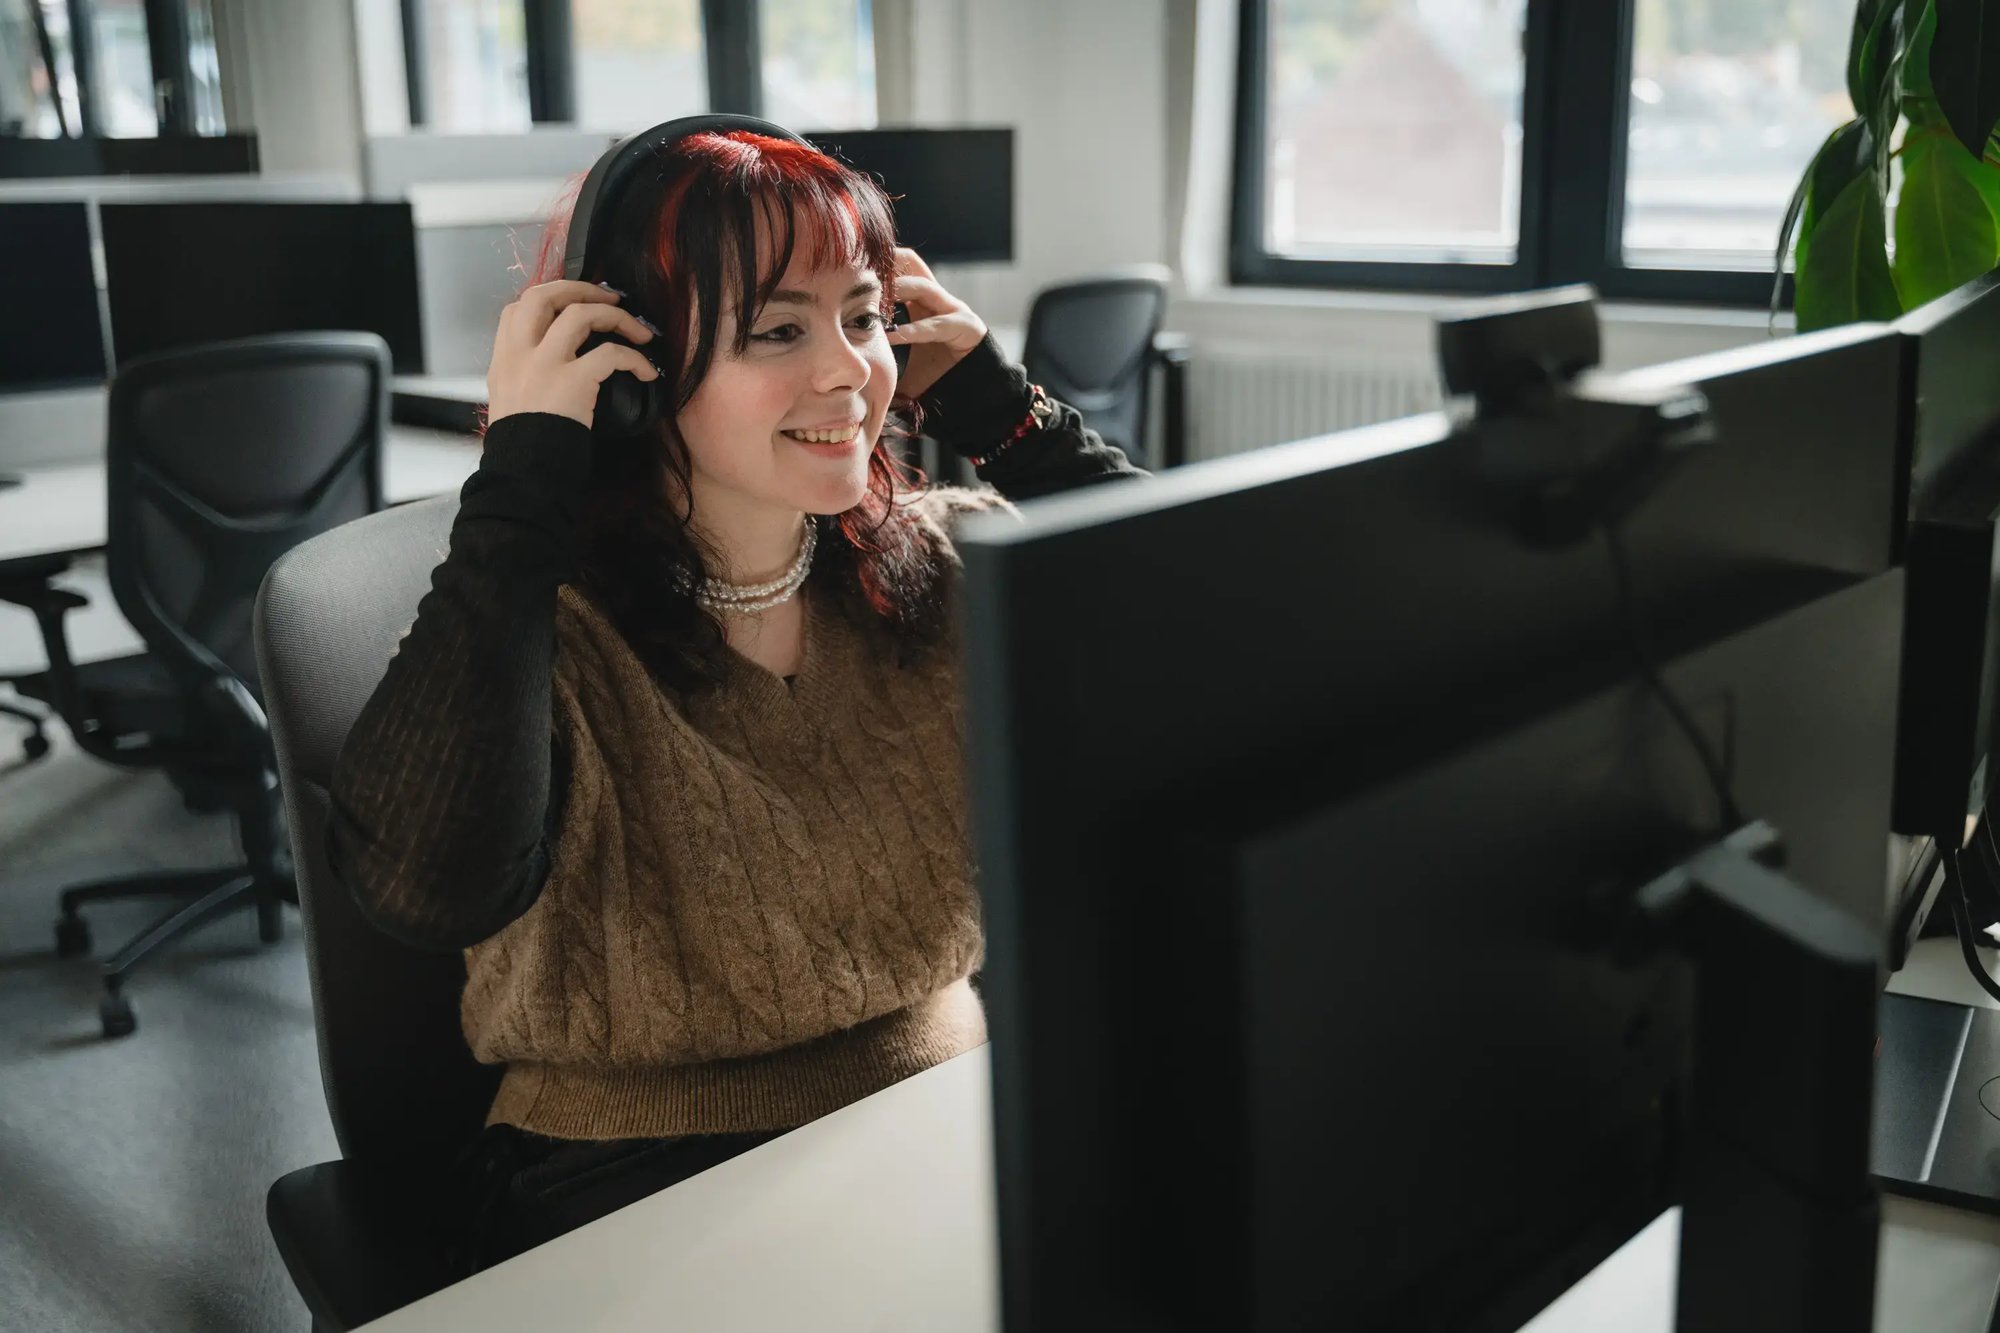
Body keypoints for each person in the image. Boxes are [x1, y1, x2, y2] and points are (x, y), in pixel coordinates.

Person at [324, 120, 1146, 1270]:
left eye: (863, 317)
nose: (846, 373)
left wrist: (1015, 421)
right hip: (641, 1184)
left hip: (943, 1121)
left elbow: (1226, 655)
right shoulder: (533, 626)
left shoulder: (948, 566)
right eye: (776, 328)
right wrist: (521, 477)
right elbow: (427, 884)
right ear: (630, 366)